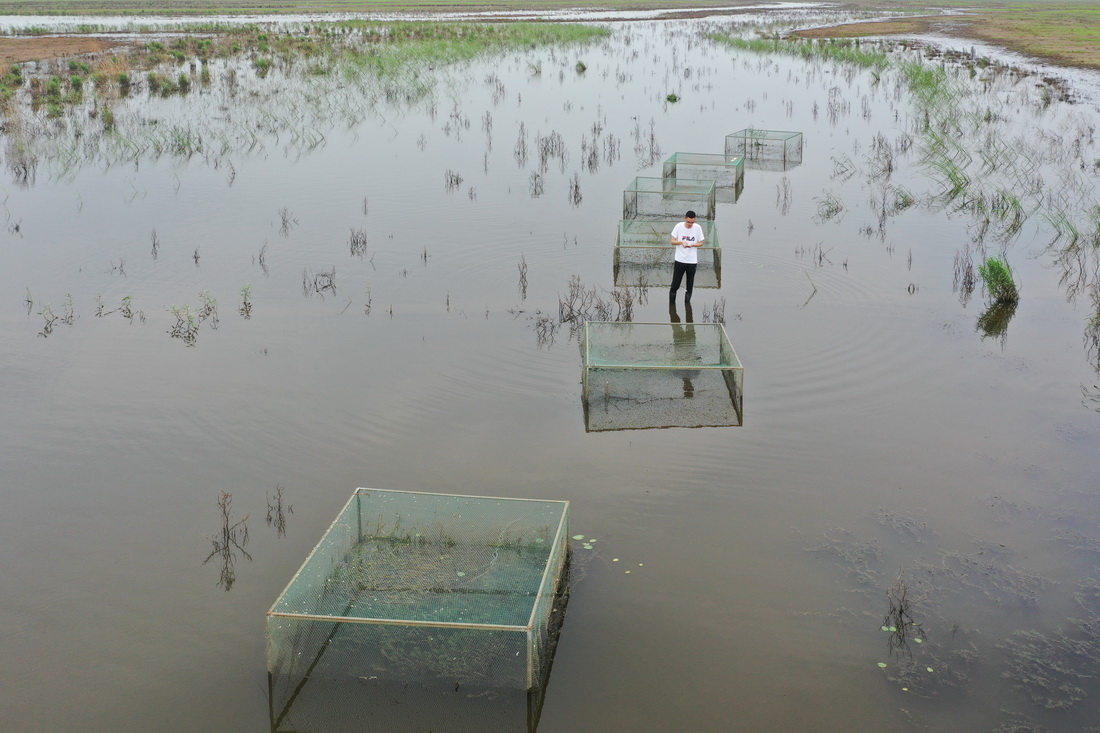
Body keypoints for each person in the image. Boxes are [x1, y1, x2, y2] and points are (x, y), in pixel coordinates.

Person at [669, 210, 704, 303]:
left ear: (695, 220)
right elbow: (672, 241)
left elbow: (701, 242)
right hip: (680, 260)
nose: (690, 224)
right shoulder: (678, 226)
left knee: (689, 286)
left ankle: (687, 304)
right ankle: (672, 308)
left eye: (692, 222)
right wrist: (681, 242)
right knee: (675, 285)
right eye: (688, 222)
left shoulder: (698, 228)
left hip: (692, 261)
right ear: (685, 218)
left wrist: (693, 245)